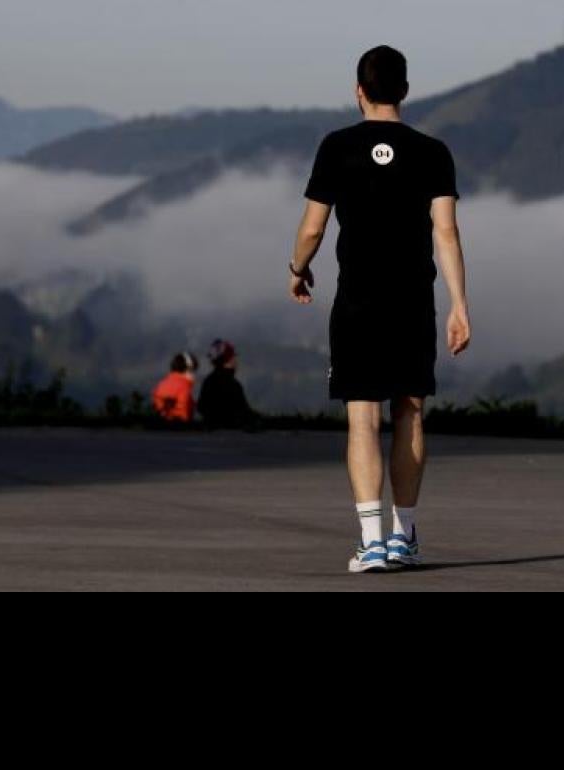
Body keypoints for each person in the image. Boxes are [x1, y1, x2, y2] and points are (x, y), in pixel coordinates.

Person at [287, 45, 471, 573]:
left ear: (358, 90)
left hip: (358, 300)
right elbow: (447, 232)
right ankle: (403, 535)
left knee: (362, 417)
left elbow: (313, 228)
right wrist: (460, 303)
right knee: (410, 410)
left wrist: (298, 269)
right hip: (413, 297)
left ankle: (370, 540)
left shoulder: (336, 146)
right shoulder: (433, 152)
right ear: (406, 91)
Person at [197, 339, 255, 429]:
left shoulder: (208, 381)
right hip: (231, 434)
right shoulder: (233, 385)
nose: (236, 360)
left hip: (210, 432)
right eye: (234, 357)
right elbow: (244, 412)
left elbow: (201, 407)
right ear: (229, 360)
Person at [152, 351, 198, 422]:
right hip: (179, 428)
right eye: (192, 371)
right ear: (188, 369)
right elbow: (183, 412)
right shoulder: (184, 387)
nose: (193, 375)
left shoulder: (162, 384)